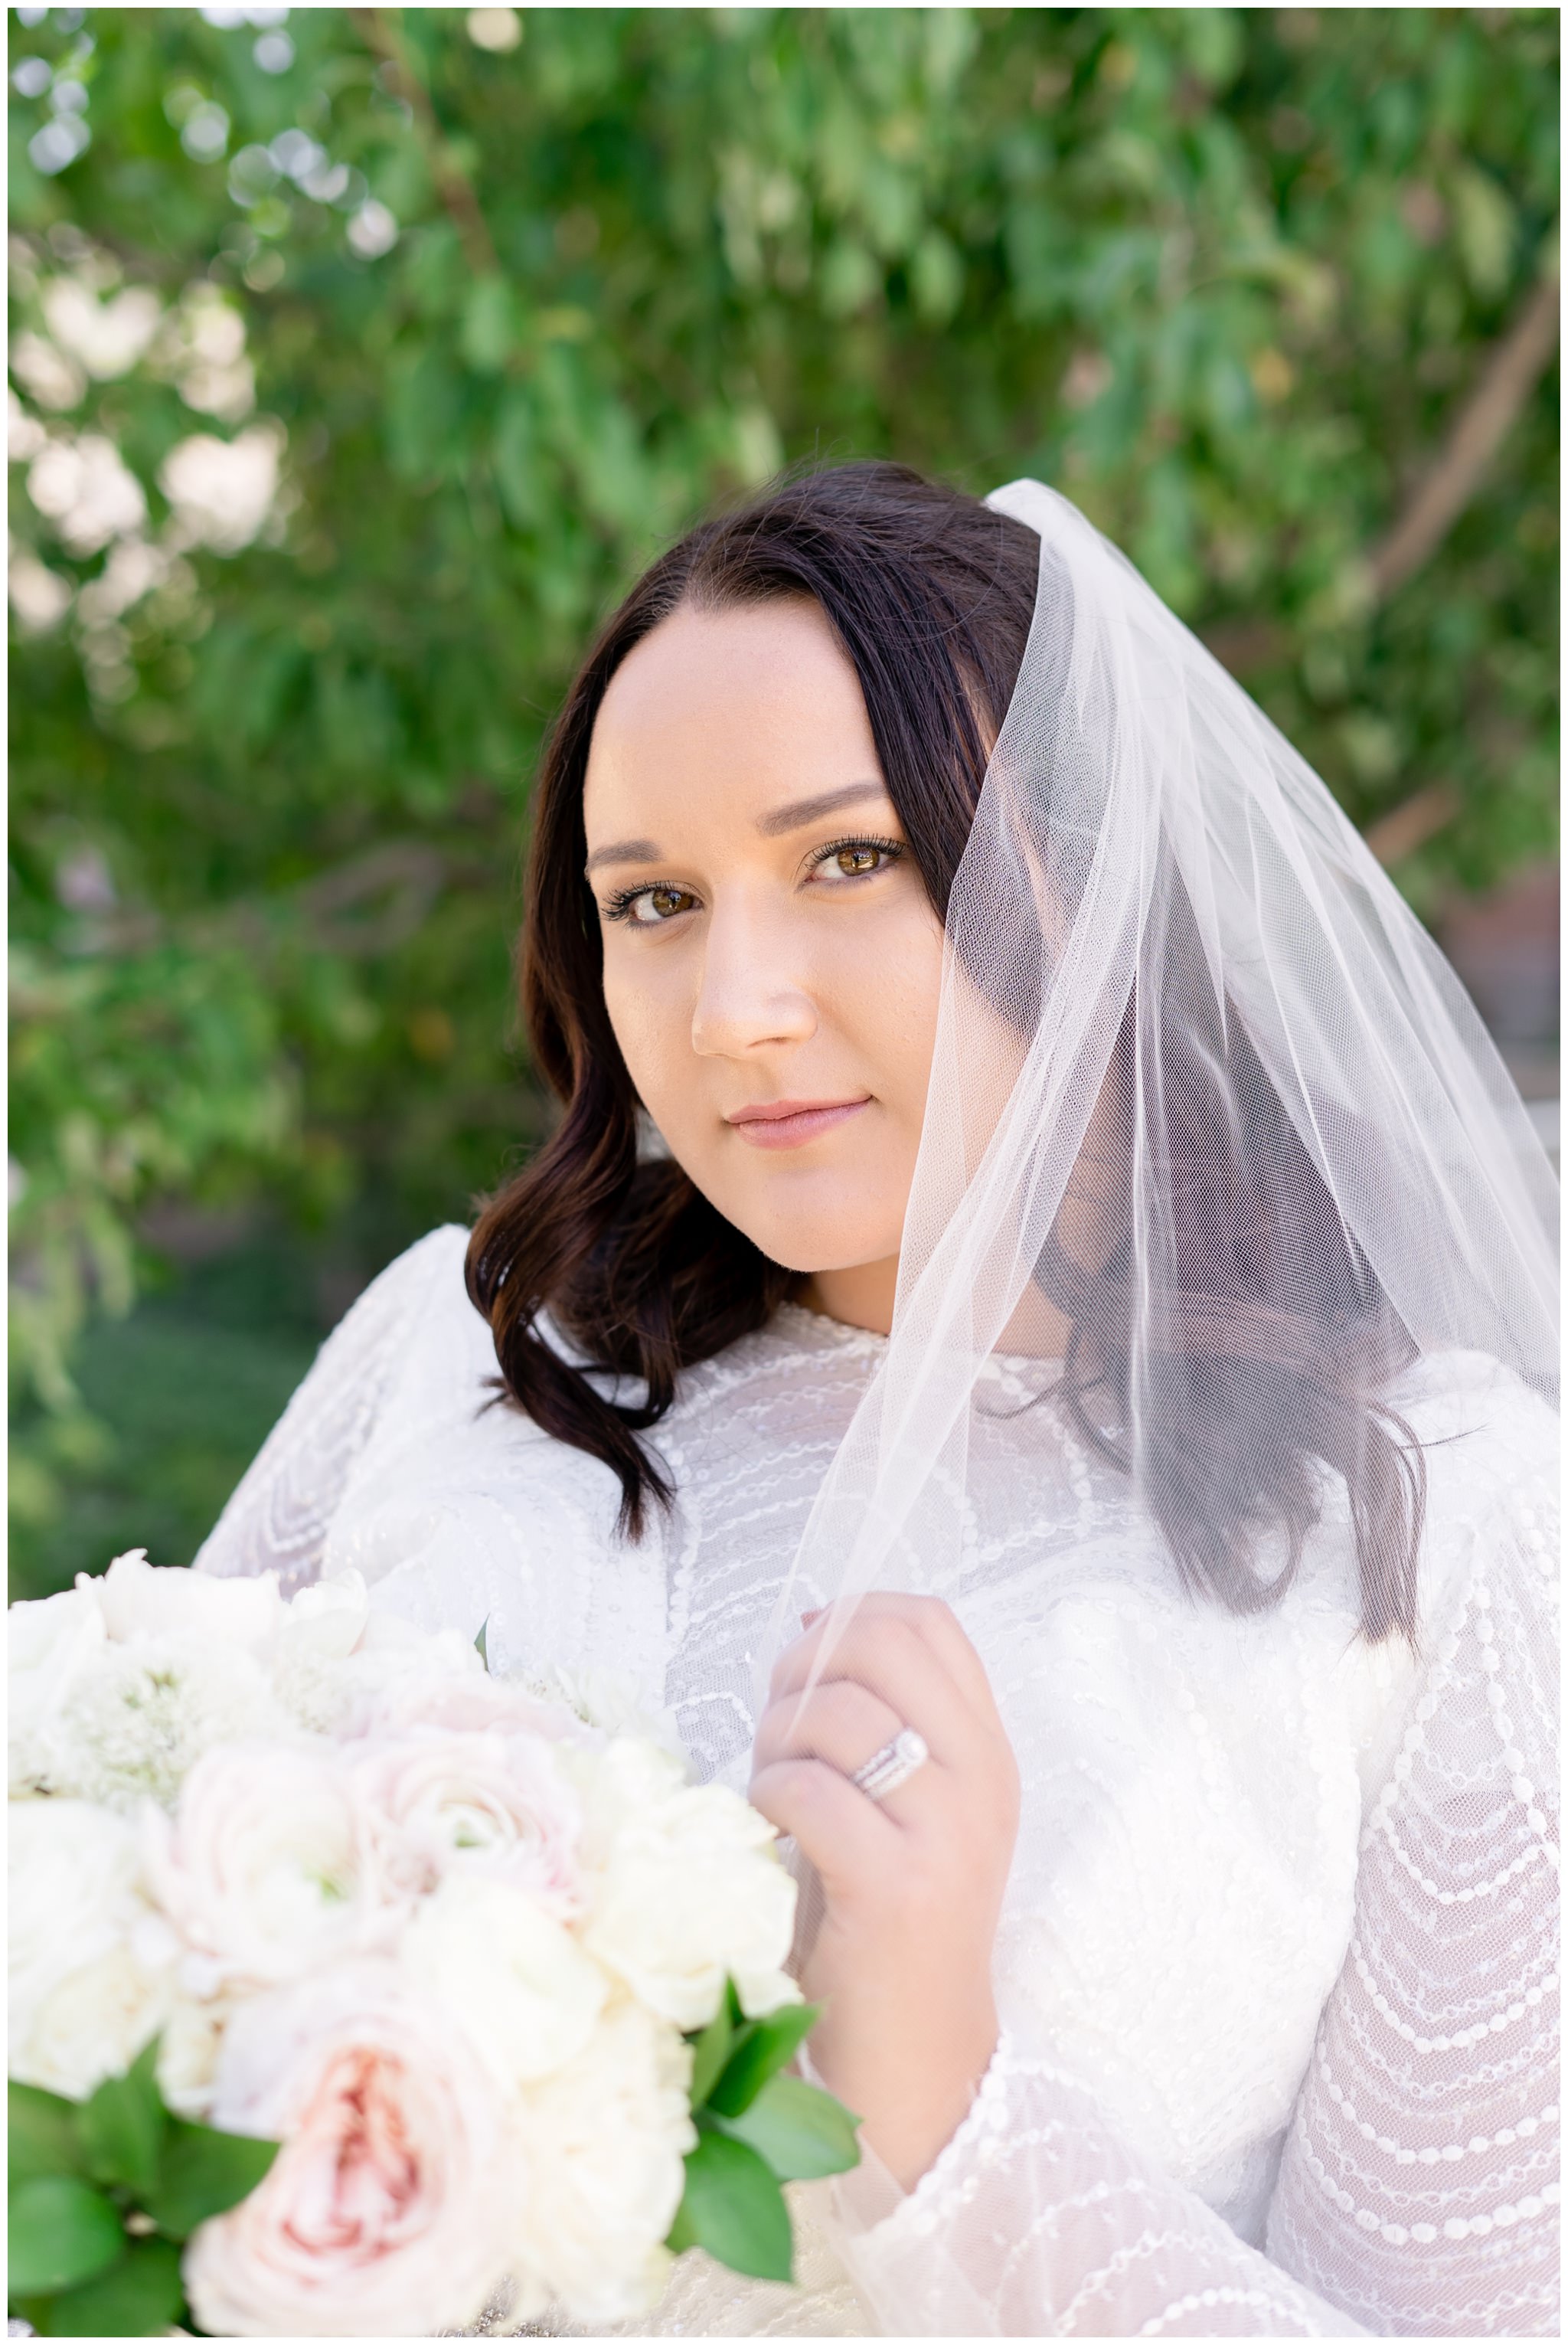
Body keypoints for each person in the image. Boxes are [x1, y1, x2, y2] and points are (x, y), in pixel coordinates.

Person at [197, 463, 1559, 2337]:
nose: (734, 1006)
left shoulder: (1444, 1515)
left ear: (1081, 879)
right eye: (654, 899)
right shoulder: (449, 1348)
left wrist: (952, 2112)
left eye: (850, 860)